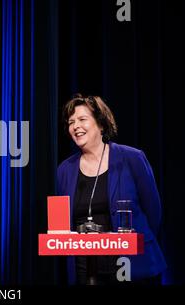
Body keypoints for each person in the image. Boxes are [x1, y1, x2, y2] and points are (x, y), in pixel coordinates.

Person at [57, 94, 166, 285]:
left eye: (82, 119)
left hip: (130, 263)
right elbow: (62, 222)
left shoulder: (132, 158)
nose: (75, 126)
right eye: (71, 122)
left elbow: (153, 212)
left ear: (100, 124)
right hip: (84, 268)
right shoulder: (65, 169)